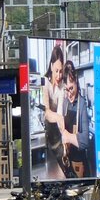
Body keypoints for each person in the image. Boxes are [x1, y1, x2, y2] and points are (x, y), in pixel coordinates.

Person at [58, 60, 93, 178]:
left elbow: (85, 141)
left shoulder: (82, 104)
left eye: (71, 88)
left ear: (76, 83)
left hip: (79, 164)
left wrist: (68, 136)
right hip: (68, 161)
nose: (69, 94)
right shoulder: (65, 103)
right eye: (66, 89)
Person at [43, 45, 67, 180]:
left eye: (61, 71)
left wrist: (65, 141)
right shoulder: (45, 83)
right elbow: (46, 112)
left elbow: (60, 112)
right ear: (51, 66)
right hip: (46, 135)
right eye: (56, 71)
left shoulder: (62, 88)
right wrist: (58, 118)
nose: (59, 75)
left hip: (57, 137)